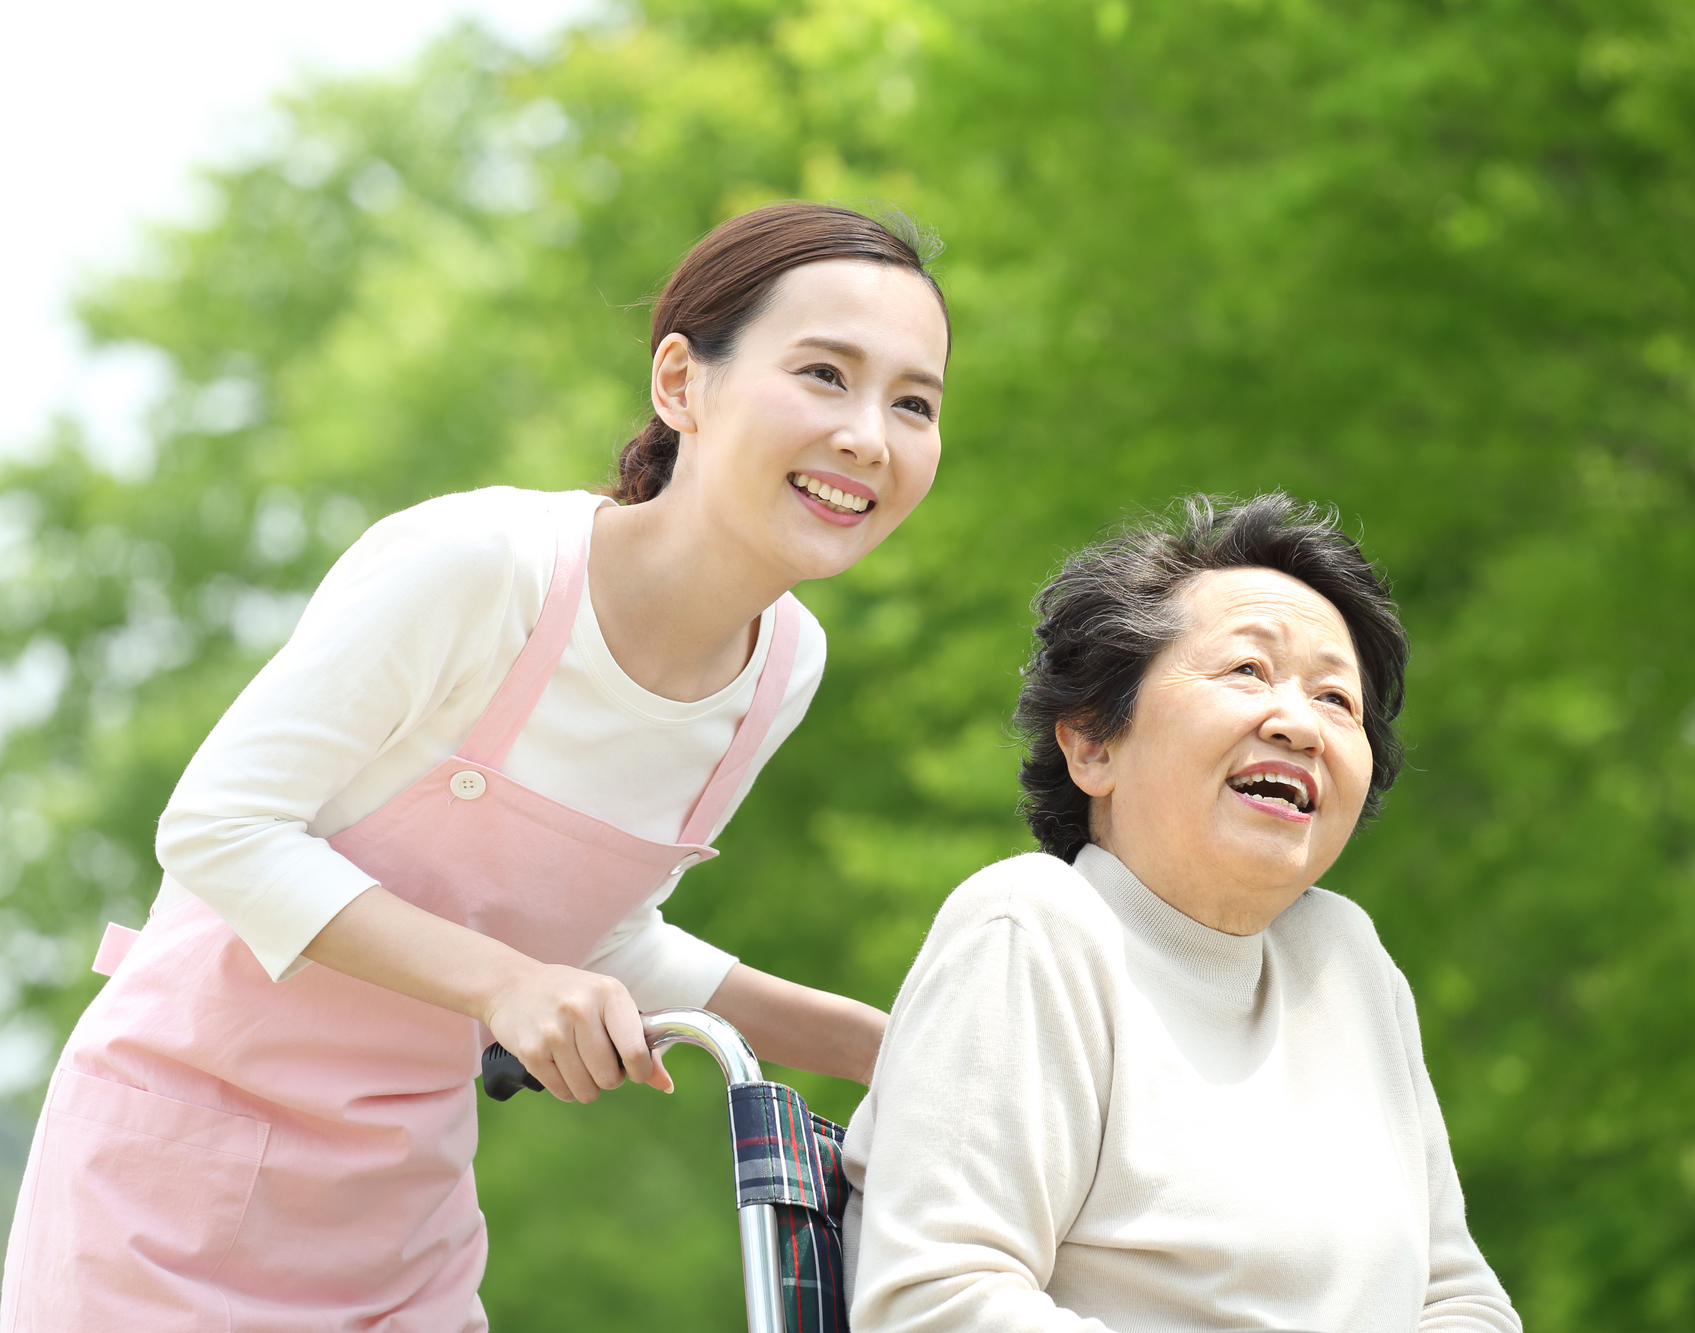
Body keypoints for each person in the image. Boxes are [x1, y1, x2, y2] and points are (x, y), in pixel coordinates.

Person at [1, 202, 951, 1331]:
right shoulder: (483, 566)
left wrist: (892, 1050)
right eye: (823, 375)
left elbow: (594, 936)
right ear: (680, 384)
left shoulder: (782, 667)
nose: (868, 438)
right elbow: (219, 830)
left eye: (913, 403)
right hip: (168, 1190)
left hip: (401, 1217)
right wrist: (505, 984)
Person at [842, 494, 1521, 1333]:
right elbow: (935, 1302)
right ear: (1093, 741)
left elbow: (1462, 1302)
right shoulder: (1034, 929)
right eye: (1248, 670)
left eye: (1337, 700)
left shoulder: (1347, 962)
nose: (1301, 724)